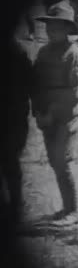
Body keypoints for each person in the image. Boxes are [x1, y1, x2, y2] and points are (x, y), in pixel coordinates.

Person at [31, 1, 78, 227]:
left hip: (66, 117)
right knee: (54, 161)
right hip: (46, 117)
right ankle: (65, 207)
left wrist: (53, 112)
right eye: (49, 26)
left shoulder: (74, 54)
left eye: (57, 27)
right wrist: (39, 113)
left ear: (67, 30)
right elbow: (34, 85)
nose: (52, 31)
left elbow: (76, 92)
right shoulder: (42, 53)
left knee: (62, 161)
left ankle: (73, 210)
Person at [2, 37, 34, 230]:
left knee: (10, 163)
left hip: (12, 116)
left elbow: (28, 85)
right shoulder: (19, 49)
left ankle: (16, 209)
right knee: (11, 164)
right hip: (15, 115)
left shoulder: (17, 51)